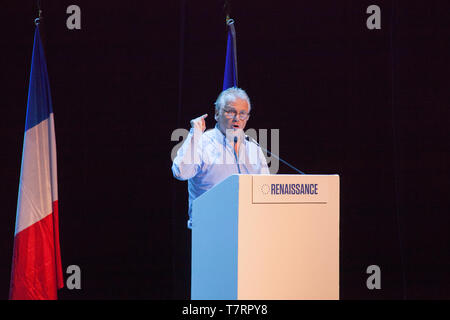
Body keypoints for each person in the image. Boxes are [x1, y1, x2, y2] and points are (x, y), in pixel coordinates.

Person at [172, 87, 270, 228]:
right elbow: (180, 172)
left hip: (249, 228)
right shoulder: (201, 143)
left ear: (247, 118)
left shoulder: (252, 146)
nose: (237, 118)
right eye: (231, 112)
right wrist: (195, 135)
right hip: (209, 227)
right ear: (217, 113)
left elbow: (265, 189)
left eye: (242, 114)